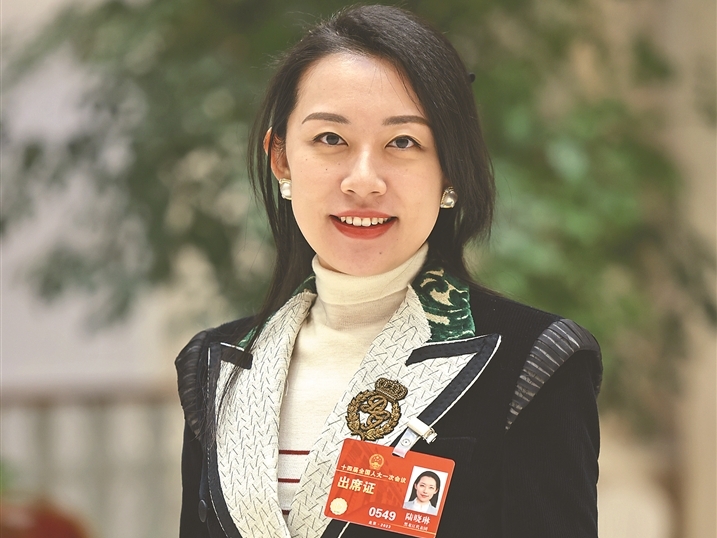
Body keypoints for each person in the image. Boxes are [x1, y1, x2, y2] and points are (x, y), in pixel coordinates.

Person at [176, 4, 602, 538]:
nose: (363, 180)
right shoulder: (217, 368)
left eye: (403, 143)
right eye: (330, 139)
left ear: (450, 168)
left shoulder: (533, 361)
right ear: (280, 158)